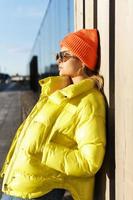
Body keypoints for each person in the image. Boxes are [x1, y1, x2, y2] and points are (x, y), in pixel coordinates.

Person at [0, 29, 106, 200]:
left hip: (39, 192)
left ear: (82, 61)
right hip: (16, 187)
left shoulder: (89, 101)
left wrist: (45, 150)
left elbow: (89, 162)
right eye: (58, 55)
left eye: (64, 55)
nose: (58, 60)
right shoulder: (56, 92)